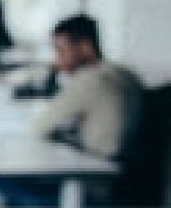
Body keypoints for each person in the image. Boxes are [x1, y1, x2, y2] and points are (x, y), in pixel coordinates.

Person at [33, 13, 142, 158]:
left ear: (86, 47)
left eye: (61, 51)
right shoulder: (125, 73)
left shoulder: (89, 79)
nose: (57, 61)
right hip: (124, 167)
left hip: (95, 168)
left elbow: (40, 126)